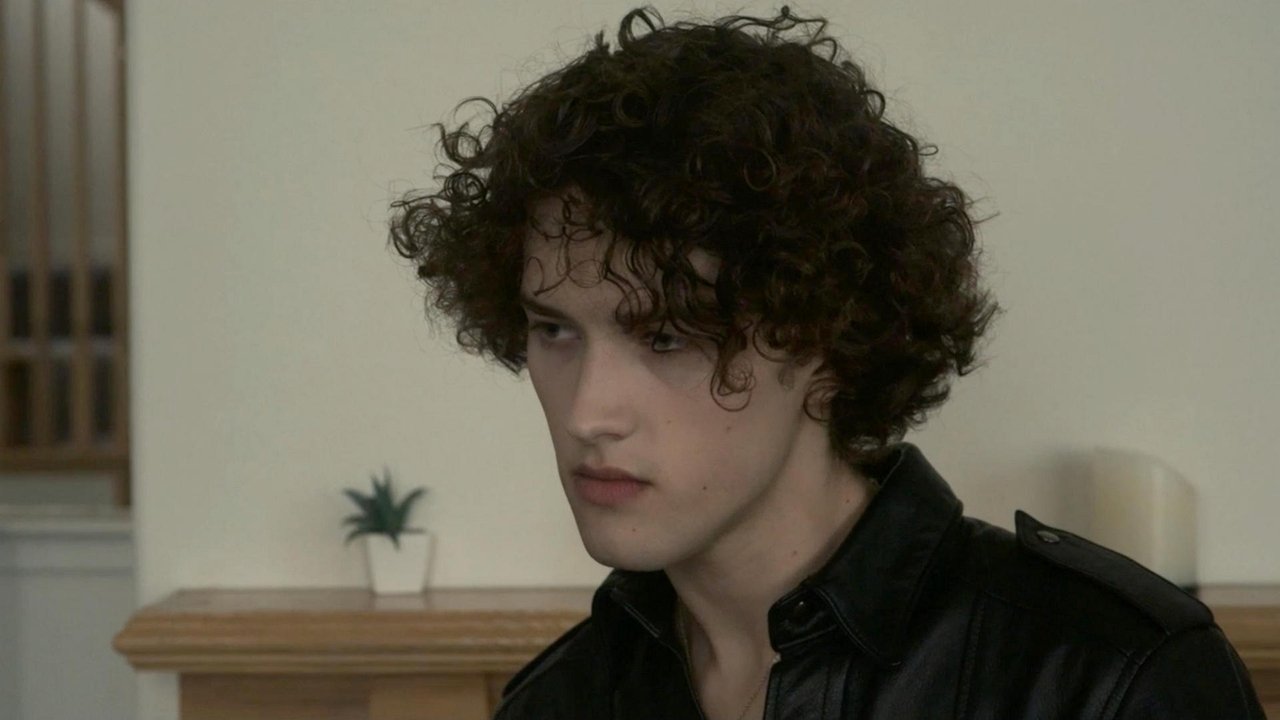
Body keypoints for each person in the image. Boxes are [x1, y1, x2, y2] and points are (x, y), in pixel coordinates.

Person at [389, 6, 1264, 719]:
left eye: (666, 337)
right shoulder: (563, 703)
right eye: (553, 331)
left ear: (826, 338)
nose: (587, 413)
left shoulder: (1103, 678)